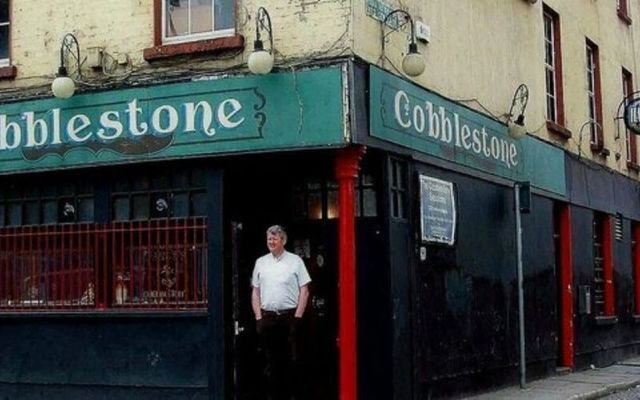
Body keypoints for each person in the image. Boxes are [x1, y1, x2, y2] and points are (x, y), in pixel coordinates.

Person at [251, 225, 311, 400]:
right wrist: (258, 318)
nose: (271, 242)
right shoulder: (260, 262)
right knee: (270, 363)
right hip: (268, 317)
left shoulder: (295, 261)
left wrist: (297, 318)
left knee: (293, 360)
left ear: (283, 241)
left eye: (274, 239)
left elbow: (304, 290)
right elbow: (255, 291)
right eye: (269, 238)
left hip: (289, 317)